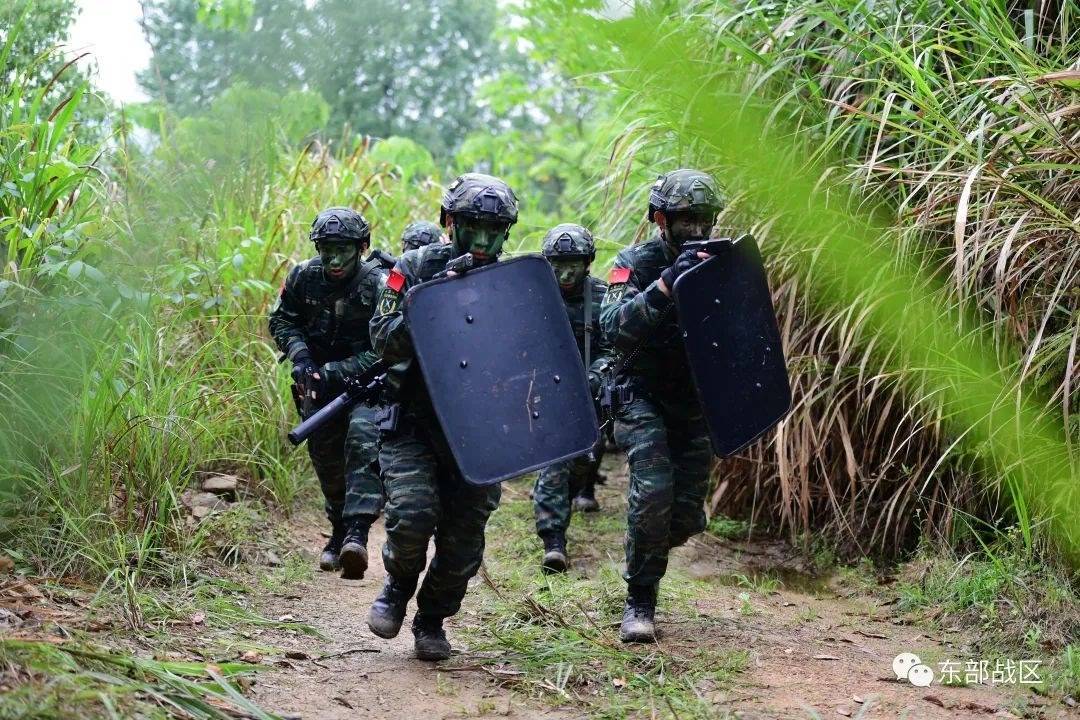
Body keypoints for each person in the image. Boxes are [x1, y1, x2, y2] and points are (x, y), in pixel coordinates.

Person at [367, 173, 518, 660]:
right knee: (412, 515)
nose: (482, 242)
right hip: (414, 422)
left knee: (462, 545)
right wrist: (434, 300)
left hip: (479, 431)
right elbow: (382, 337)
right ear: (449, 222)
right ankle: (397, 586)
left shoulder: (514, 283)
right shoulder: (414, 268)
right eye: (473, 228)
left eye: (494, 231)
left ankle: (431, 619)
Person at [598, 169, 723, 643]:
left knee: (684, 517)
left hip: (692, 400)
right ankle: (640, 600)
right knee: (653, 494)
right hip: (640, 395)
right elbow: (613, 326)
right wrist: (667, 284)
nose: (697, 229)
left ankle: (646, 543)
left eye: (705, 219)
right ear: (660, 219)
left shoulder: (720, 262)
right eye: (687, 219)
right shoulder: (633, 263)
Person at [268, 207, 386, 580]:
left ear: (362, 247)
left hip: (365, 386)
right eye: (326, 250)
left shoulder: (379, 285)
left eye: (343, 250)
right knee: (326, 459)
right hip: (316, 387)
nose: (333, 259)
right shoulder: (304, 276)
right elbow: (282, 319)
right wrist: (301, 357)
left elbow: (387, 347)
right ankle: (338, 530)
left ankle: (357, 534)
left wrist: (334, 372)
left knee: (363, 442)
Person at [532, 223, 612, 574]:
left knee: (583, 462)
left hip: (589, 395)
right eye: (558, 265)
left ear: (588, 263)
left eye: (573, 265)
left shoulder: (603, 297)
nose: (565, 274)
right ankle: (554, 542)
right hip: (547, 395)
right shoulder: (532, 296)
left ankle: (568, 498)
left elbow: (615, 346)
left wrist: (596, 375)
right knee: (555, 462)